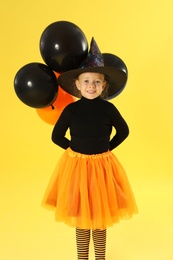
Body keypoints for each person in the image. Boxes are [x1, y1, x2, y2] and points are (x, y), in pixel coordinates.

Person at [42, 38, 138, 260]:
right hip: (78, 168)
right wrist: (73, 150)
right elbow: (56, 136)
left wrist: (107, 149)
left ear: (104, 85)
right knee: (82, 216)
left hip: (102, 168)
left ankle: (100, 257)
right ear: (77, 84)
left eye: (96, 82)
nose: (91, 86)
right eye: (86, 81)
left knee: (100, 216)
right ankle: (82, 257)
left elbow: (124, 131)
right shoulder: (71, 110)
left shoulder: (109, 109)